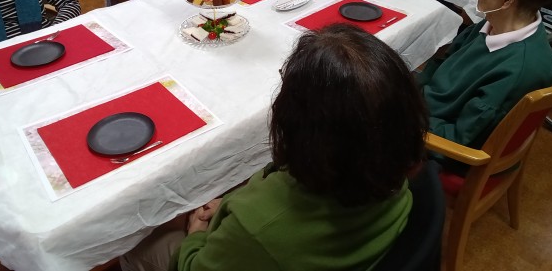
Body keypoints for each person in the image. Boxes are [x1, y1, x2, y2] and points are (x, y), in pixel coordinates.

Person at [119, 24, 429, 271]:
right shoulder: (390, 163)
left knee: (134, 239)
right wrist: (230, 205)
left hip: (234, 249)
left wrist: (196, 235)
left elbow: (195, 265)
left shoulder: (258, 229)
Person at [418, 0, 552, 165]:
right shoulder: (491, 24)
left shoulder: (517, 71)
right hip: (427, 110)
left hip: (440, 145)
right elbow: (441, 64)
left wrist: (404, 118)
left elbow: (461, 140)